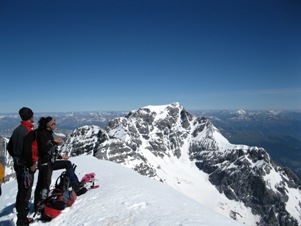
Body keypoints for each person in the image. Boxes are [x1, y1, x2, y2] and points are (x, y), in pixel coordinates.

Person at [34, 116, 86, 212]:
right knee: (45, 184)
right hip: (45, 164)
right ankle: (41, 205)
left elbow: (50, 152)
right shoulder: (42, 134)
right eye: (53, 124)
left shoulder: (48, 133)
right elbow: (44, 149)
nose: (55, 125)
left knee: (67, 163)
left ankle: (76, 185)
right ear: (48, 126)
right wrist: (53, 142)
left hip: (50, 162)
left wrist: (61, 157)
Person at [7, 107, 38, 226]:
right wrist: (31, 164)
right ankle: (22, 219)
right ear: (31, 117)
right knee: (26, 190)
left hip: (18, 164)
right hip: (26, 166)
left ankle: (21, 210)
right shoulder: (29, 131)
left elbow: (9, 148)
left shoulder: (17, 130)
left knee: (21, 188)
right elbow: (28, 151)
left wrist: (16, 158)